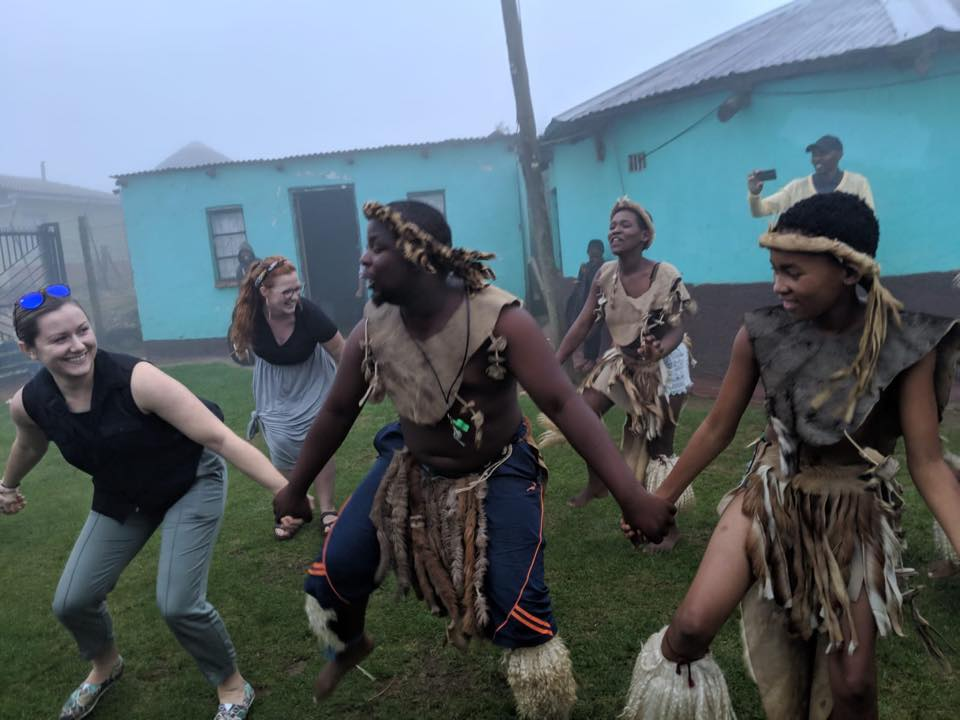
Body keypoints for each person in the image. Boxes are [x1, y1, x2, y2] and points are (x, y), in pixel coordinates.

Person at [272, 199, 676, 720]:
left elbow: (563, 404)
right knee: (331, 576)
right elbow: (336, 409)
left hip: (498, 470)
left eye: (377, 247)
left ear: (420, 255)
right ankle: (348, 645)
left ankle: (544, 707)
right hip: (411, 468)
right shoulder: (373, 327)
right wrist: (295, 486)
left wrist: (631, 495)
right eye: (364, 248)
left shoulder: (502, 319)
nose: (364, 260)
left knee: (519, 612)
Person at [620, 193, 960, 720]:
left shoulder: (903, 341)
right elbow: (715, 427)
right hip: (771, 491)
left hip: (855, 511)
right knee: (688, 628)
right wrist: (658, 500)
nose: (778, 284)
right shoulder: (760, 332)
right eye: (774, 269)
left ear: (849, 270)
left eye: (793, 272)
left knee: (851, 685)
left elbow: (928, 463)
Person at [0, 284, 298, 720]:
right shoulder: (31, 403)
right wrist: (7, 485)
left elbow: (218, 437)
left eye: (83, 330)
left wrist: (283, 490)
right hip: (125, 494)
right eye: (60, 338)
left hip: (190, 479)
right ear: (29, 349)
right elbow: (29, 445)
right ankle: (106, 665)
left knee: (178, 602)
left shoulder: (138, 380)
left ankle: (232, 686)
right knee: (72, 601)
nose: (78, 344)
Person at [549, 197, 695, 549]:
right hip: (623, 359)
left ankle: (666, 528)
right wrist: (556, 360)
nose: (615, 229)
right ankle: (598, 476)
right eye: (613, 225)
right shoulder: (604, 275)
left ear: (645, 236)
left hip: (664, 366)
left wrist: (659, 348)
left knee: (659, 449)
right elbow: (584, 321)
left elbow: (677, 327)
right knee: (579, 414)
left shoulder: (666, 274)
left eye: (625, 225)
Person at [228, 256, 345, 539]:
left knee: (318, 438)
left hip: (313, 376)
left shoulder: (310, 315)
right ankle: (295, 505)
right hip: (273, 381)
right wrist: (241, 351)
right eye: (287, 291)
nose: (295, 297)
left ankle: (328, 508)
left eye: (297, 289)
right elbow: (237, 346)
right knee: (280, 442)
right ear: (264, 292)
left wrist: (344, 394)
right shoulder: (248, 315)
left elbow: (342, 353)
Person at [748, 134, 875, 217]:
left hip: (844, 257)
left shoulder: (858, 184)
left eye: (823, 153)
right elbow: (760, 211)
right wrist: (754, 194)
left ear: (839, 155)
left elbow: (869, 220)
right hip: (807, 257)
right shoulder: (796, 188)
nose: (817, 159)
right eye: (814, 154)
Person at [564, 239, 606, 373]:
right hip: (583, 303)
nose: (593, 255)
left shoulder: (605, 267)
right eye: (591, 252)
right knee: (585, 330)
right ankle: (586, 358)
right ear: (587, 252)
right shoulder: (584, 267)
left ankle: (592, 359)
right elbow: (579, 284)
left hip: (598, 304)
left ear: (602, 252)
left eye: (597, 252)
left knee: (595, 332)